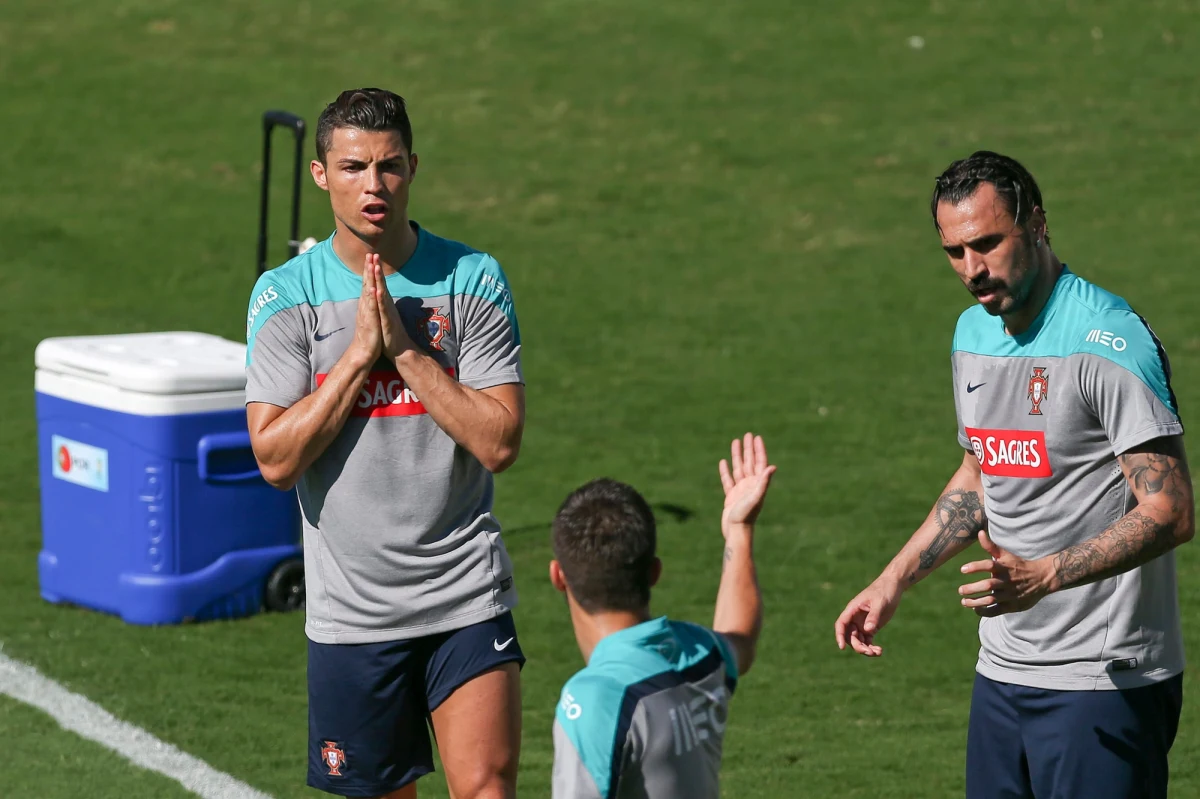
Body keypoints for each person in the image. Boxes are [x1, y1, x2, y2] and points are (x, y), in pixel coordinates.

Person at [834, 151, 1193, 798]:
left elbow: (1170, 511)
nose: (972, 269)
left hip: (1103, 682)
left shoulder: (1108, 342)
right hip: (1001, 674)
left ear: (1038, 224)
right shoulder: (973, 334)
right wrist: (892, 581)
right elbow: (980, 476)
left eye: (987, 243)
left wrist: (1045, 575)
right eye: (954, 251)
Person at [244, 88, 526, 799]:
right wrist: (356, 358)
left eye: (390, 166)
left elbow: (499, 441)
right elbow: (275, 458)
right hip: (352, 612)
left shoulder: (471, 280)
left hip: (464, 593)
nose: (373, 185)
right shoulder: (286, 298)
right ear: (320, 175)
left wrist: (405, 355)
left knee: (487, 787)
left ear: (413, 168)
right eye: (353, 167)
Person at [549, 433, 774, 798]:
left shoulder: (594, 700)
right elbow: (741, 639)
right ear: (654, 572)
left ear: (558, 577)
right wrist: (739, 530)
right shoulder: (699, 653)